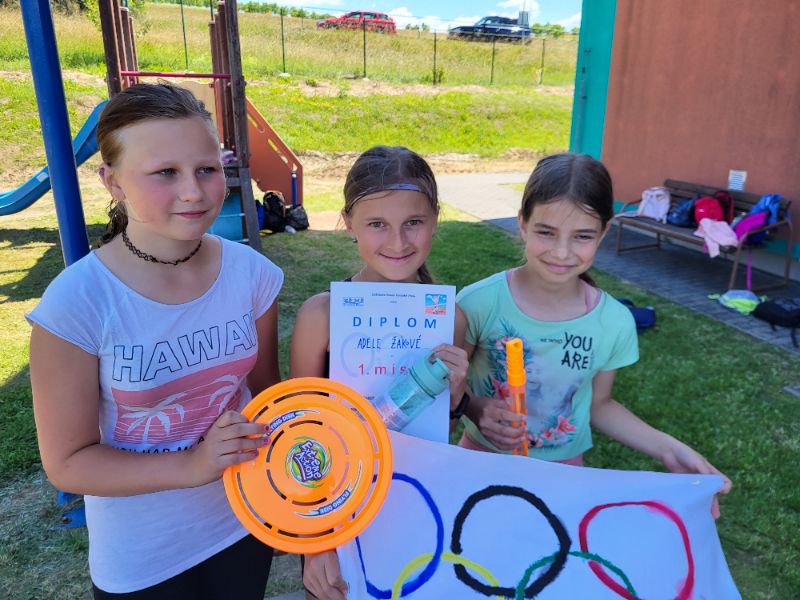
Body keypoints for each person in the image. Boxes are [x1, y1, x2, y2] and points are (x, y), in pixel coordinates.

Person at [27, 83, 282, 598]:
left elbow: (268, 400)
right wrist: (191, 465)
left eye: (206, 168)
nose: (194, 192)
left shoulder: (253, 274)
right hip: (143, 558)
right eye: (165, 172)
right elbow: (68, 463)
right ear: (113, 181)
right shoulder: (77, 302)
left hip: (243, 520)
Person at [456, 152, 731, 515]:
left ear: (604, 232)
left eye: (582, 236)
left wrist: (670, 450)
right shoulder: (477, 303)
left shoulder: (614, 323)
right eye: (545, 232)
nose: (561, 252)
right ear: (522, 223)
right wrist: (476, 409)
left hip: (566, 478)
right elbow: (449, 389)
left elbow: (600, 404)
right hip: (477, 465)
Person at [289, 145, 468, 600]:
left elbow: (440, 431)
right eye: (377, 225)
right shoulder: (321, 316)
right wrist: (315, 543)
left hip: (416, 500)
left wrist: (456, 395)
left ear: (435, 220)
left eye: (414, 222)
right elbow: (298, 434)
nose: (398, 242)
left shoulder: (451, 319)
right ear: (349, 223)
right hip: (336, 509)